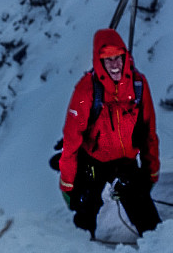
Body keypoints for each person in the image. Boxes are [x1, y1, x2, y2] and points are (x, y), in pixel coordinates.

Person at [59, 28, 161, 239]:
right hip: (93, 161)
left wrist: (151, 171)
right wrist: (68, 184)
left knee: (146, 215)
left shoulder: (138, 85)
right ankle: (81, 251)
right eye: (108, 59)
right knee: (86, 206)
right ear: (99, 61)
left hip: (125, 161)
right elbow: (71, 138)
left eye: (118, 58)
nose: (114, 64)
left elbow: (148, 131)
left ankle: (158, 249)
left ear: (125, 56)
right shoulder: (86, 89)